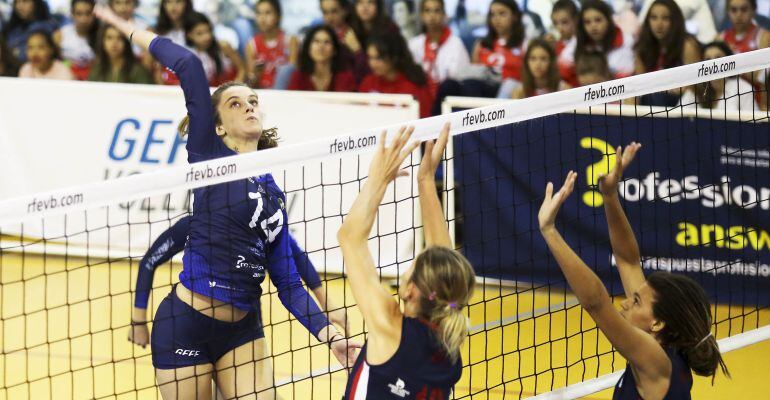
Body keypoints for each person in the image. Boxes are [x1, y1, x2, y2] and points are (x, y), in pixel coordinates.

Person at [93, 6, 358, 399]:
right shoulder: (209, 157)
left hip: (242, 330)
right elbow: (187, 64)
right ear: (217, 127)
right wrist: (123, 26)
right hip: (186, 323)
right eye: (236, 103)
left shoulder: (272, 192)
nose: (249, 105)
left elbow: (287, 279)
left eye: (252, 100)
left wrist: (327, 331)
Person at [537, 144, 730, 400]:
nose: (626, 302)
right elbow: (628, 261)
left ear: (658, 323)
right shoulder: (668, 347)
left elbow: (596, 303)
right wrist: (609, 196)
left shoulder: (653, 359)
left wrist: (549, 231)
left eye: (637, 301)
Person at [339, 124, 475, 399]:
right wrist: (425, 180)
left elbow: (350, 238)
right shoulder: (450, 337)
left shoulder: (390, 325)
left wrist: (379, 177)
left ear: (410, 291)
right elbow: (443, 264)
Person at [128, 216, 350, 348]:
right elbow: (149, 262)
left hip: (245, 323)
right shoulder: (195, 224)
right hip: (194, 323)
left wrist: (327, 304)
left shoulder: (263, 227)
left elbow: (296, 258)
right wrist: (138, 321)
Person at [634, 0, 701, 106]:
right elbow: (638, 85)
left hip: (681, 103)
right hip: (649, 102)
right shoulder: (642, 47)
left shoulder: (687, 46)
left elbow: (697, 86)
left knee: (659, 98)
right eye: (654, 18)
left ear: (675, 21)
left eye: (665, 18)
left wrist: (674, 88)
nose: (659, 24)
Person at [359, 30, 434, 118]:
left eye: (378, 58)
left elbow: (424, 123)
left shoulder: (414, 88)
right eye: (370, 57)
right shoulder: (367, 83)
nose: (372, 63)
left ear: (394, 57)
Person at [407, 0, 470, 88]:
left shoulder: (456, 44)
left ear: (444, 15)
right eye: (427, 11)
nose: (432, 16)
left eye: (437, 11)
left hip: (447, 96)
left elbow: (462, 80)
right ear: (421, 16)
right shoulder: (414, 44)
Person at [680, 41, 758, 111]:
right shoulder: (696, 90)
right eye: (708, 59)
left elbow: (752, 124)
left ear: (729, 62)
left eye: (718, 58)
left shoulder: (744, 89)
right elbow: (677, 115)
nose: (713, 64)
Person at [571, 0, 634, 79]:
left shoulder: (627, 41)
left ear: (608, 20)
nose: (593, 26)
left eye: (598, 20)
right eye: (587, 22)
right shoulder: (577, 45)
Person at [244, 0, 298, 89]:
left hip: (286, 94)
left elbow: (294, 76)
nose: (262, 18)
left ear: (278, 16)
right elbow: (251, 84)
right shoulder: (251, 45)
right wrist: (255, 75)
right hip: (261, 95)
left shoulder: (290, 41)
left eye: (267, 13)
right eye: (258, 13)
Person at [288, 24, 356, 92]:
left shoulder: (345, 77)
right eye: (316, 41)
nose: (321, 47)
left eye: (327, 42)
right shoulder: (299, 77)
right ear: (308, 48)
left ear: (335, 50)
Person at [184, 11, 244, 86]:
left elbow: (242, 69)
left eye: (208, 31)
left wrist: (236, 87)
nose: (206, 37)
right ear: (189, 35)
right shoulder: (190, 55)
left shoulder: (223, 46)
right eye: (199, 33)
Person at [88, 24, 153, 83]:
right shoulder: (97, 68)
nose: (114, 43)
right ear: (102, 42)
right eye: (109, 38)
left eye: (119, 38)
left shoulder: (137, 71)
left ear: (126, 43)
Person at [54, 0, 98, 80]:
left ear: (94, 14)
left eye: (88, 13)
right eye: (79, 14)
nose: (83, 19)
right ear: (72, 14)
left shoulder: (102, 36)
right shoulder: (60, 35)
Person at [549, 0, 579, 87]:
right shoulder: (555, 45)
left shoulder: (582, 44)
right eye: (555, 23)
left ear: (576, 20)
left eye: (564, 22)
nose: (560, 28)